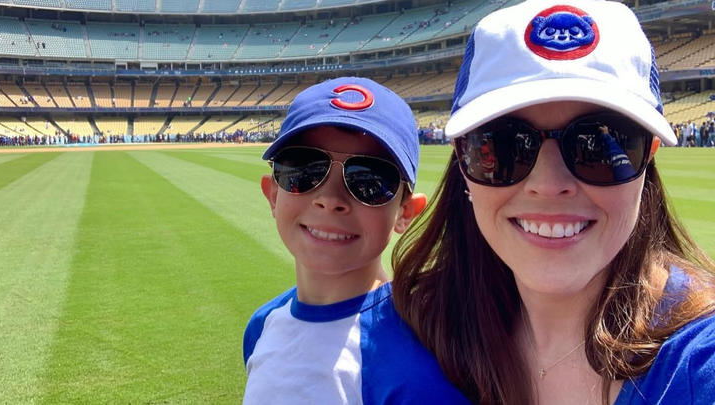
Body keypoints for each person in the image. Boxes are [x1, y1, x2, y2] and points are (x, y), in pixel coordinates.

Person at [392, 1, 715, 404]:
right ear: (462, 157)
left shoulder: (700, 365)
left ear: (647, 157)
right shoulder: (416, 329)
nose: (548, 185)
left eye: (596, 144)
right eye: (506, 145)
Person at [242, 77, 469, 405]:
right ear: (273, 195)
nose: (330, 199)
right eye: (303, 169)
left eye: (370, 181)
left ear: (405, 212)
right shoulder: (262, 326)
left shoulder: (417, 373)